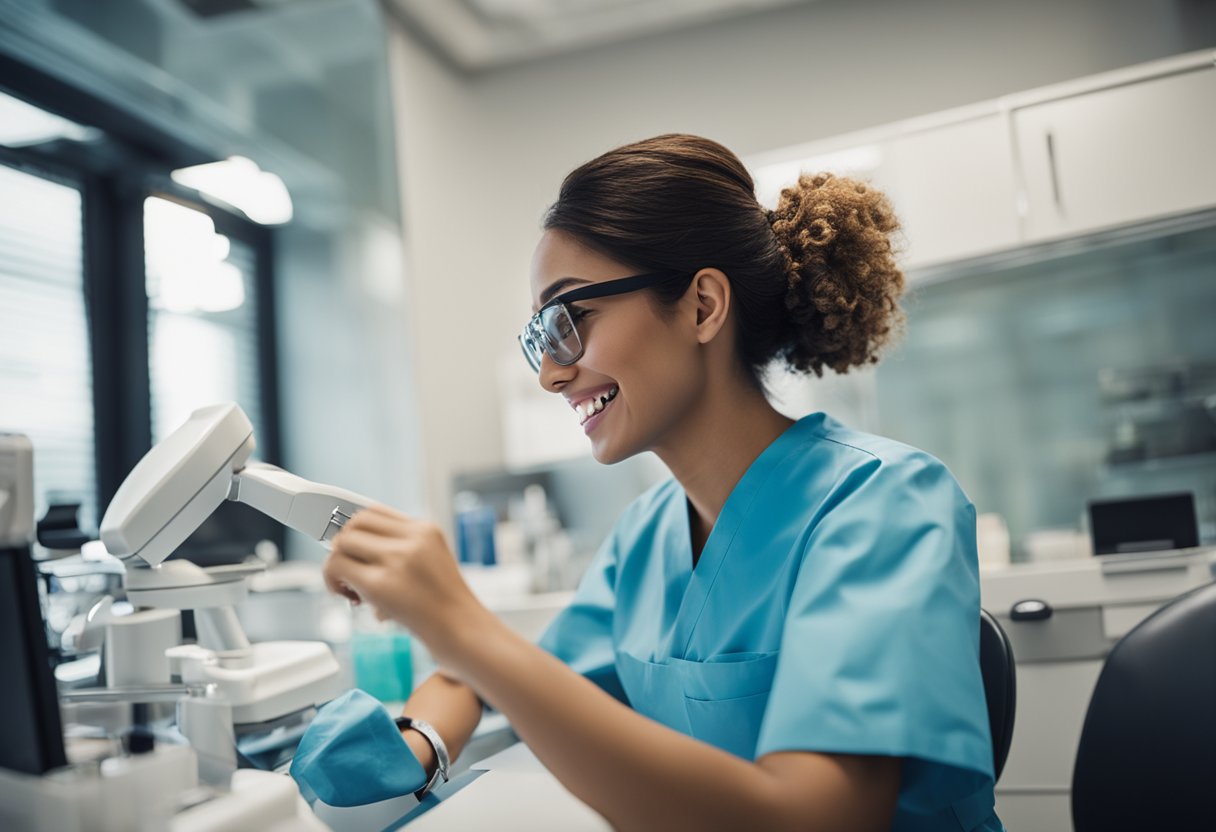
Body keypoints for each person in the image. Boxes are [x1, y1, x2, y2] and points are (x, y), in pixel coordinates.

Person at [320, 134, 1003, 832]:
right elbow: (498, 678)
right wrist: (418, 745)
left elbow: (815, 815)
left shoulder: (885, 503)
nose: (551, 374)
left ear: (703, 305)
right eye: (539, 339)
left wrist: (458, 624)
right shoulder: (644, 541)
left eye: (569, 321)